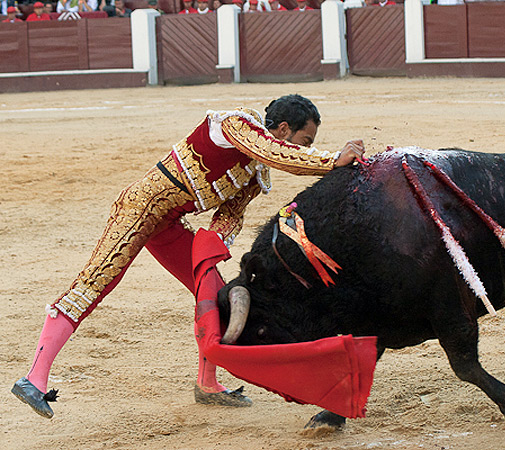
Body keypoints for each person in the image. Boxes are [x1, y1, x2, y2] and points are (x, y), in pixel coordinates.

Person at [11, 94, 365, 419]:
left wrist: (211, 247)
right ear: (284, 128)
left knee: (212, 293)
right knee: (96, 282)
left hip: (169, 224)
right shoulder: (236, 124)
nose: (305, 148)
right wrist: (331, 161)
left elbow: (231, 213)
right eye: (305, 141)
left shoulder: (256, 174)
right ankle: (34, 379)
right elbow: (273, 151)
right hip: (139, 208)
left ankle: (207, 383)